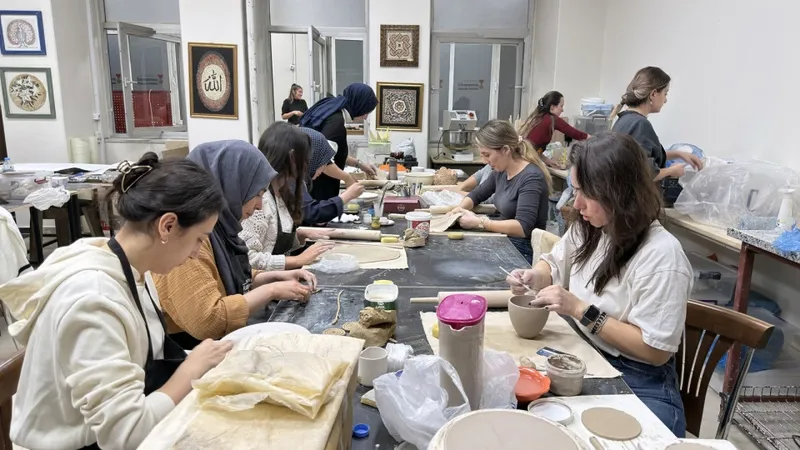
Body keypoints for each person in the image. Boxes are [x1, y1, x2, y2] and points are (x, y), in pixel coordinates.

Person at [0, 153, 234, 449]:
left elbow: (142, 358)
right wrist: (191, 370)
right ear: (167, 226)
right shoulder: (93, 298)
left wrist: (203, 359)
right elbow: (125, 434)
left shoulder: (136, 270)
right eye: (200, 239)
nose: (196, 253)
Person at [506, 132, 691, 437]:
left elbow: (655, 351)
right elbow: (554, 263)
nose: (576, 203)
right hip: (584, 349)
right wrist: (534, 276)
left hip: (638, 375)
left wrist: (582, 310)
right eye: (575, 190)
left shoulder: (662, 256)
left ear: (618, 193)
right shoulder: (591, 227)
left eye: (585, 193)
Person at [153, 141, 315, 349]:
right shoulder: (188, 238)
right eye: (256, 195)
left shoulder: (223, 229)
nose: (259, 206)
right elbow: (208, 320)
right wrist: (271, 290)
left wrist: (270, 277)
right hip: (192, 349)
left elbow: (224, 276)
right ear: (231, 186)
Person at [240, 123, 343, 271]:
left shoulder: (282, 190)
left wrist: (300, 235)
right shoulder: (260, 200)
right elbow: (248, 259)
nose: (307, 163)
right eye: (306, 157)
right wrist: (298, 260)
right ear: (293, 157)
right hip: (266, 282)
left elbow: (271, 239)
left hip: (279, 278)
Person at [448, 119, 553, 263]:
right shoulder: (501, 171)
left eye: (487, 155)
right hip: (505, 240)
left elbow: (523, 227)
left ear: (506, 150)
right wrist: (459, 209)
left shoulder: (531, 178)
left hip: (522, 250)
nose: (484, 161)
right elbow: (476, 195)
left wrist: (480, 223)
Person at [610, 67, 702, 180]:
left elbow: (642, 157)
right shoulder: (640, 125)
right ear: (653, 94)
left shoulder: (625, 119)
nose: (665, 100)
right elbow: (644, 174)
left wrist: (679, 154)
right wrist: (671, 171)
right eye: (665, 93)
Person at [300, 82, 379, 201]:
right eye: (366, 111)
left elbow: (334, 152)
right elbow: (324, 161)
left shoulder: (332, 109)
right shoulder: (336, 122)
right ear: (359, 105)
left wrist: (360, 165)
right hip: (319, 185)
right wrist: (347, 178)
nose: (365, 117)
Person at [299, 126, 365, 225]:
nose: (323, 168)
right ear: (311, 158)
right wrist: (347, 195)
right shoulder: (289, 180)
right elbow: (311, 213)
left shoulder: (299, 179)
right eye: (322, 162)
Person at [518, 91, 589, 168]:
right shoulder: (552, 119)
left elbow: (536, 149)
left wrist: (547, 160)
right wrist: (594, 139)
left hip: (521, 158)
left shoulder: (538, 117)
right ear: (552, 107)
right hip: (526, 161)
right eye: (561, 106)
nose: (562, 110)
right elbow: (576, 134)